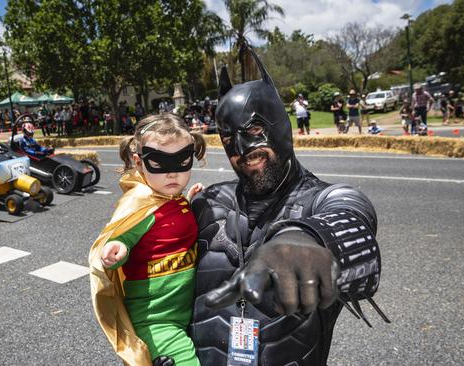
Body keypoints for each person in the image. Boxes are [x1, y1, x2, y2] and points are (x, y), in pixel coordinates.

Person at [189, 47, 386, 366]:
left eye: (254, 132)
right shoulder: (207, 204)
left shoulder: (318, 200)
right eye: (228, 140)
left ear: (282, 125)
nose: (241, 150)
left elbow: (351, 211)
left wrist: (308, 237)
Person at [89, 113, 206, 366]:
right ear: (139, 162)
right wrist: (116, 247)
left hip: (188, 312)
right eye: (160, 163)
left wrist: (192, 203)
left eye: (182, 161)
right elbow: (124, 235)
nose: (172, 173)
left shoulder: (174, 199)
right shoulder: (141, 204)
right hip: (155, 321)